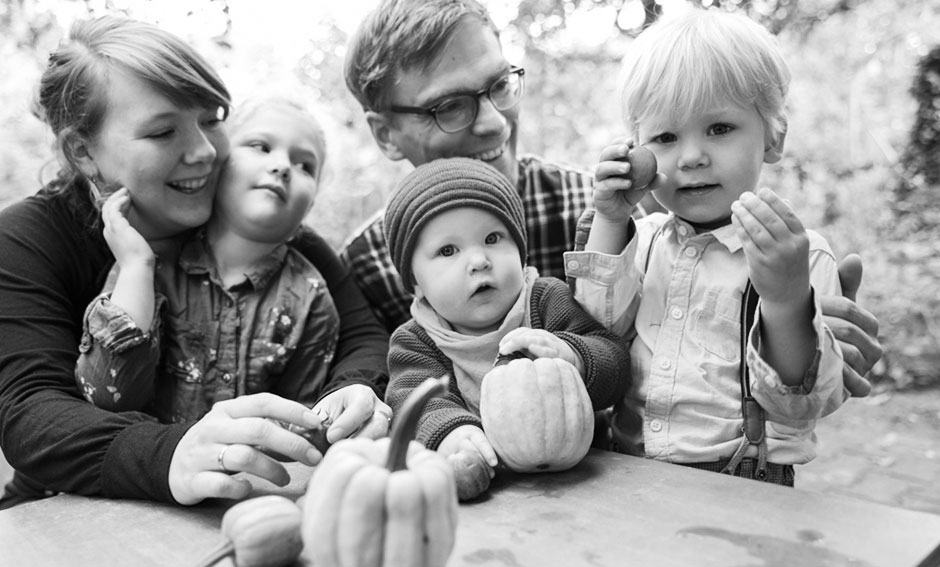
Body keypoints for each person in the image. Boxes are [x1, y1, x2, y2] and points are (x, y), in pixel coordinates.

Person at [338, 0, 882, 398]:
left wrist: (797, 327)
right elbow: (379, 397)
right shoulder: (364, 267)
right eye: (449, 106)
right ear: (385, 134)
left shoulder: (616, 211)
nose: (492, 120)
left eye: (499, 85)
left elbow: (794, 381)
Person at [0, 16, 390, 510]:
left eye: (212, 117)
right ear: (83, 151)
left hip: (237, 503)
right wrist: (172, 452)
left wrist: (353, 390)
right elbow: (31, 414)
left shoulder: (260, 234)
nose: (205, 152)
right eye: (164, 132)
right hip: (59, 512)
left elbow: (363, 334)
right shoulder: (26, 240)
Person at [565, 9, 847, 485]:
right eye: (666, 137)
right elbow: (595, 333)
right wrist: (613, 220)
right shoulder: (645, 241)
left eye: (719, 128)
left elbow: (801, 405)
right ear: (639, 150)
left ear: (773, 137)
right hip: (630, 470)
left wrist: (785, 299)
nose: (692, 156)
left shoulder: (798, 254)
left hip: (744, 482)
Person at [74, 97, 344, 425]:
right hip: (144, 471)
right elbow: (106, 396)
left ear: (312, 202)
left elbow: (302, 429)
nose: (283, 166)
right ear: (218, 164)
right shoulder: (147, 265)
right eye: (261, 146)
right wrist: (135, 268)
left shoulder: (312, 300)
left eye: (306, 166)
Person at [383, 157, 630, 482]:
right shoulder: (418, 341)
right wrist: (452, 435)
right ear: (415, 283)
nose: (478, 261)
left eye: (492, 239)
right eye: (447, 251)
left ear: (520, 250)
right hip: (490, 493)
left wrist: (573, 356)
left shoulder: (545, 300)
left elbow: (616, 360)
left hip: (583, 475)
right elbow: (413, 400)